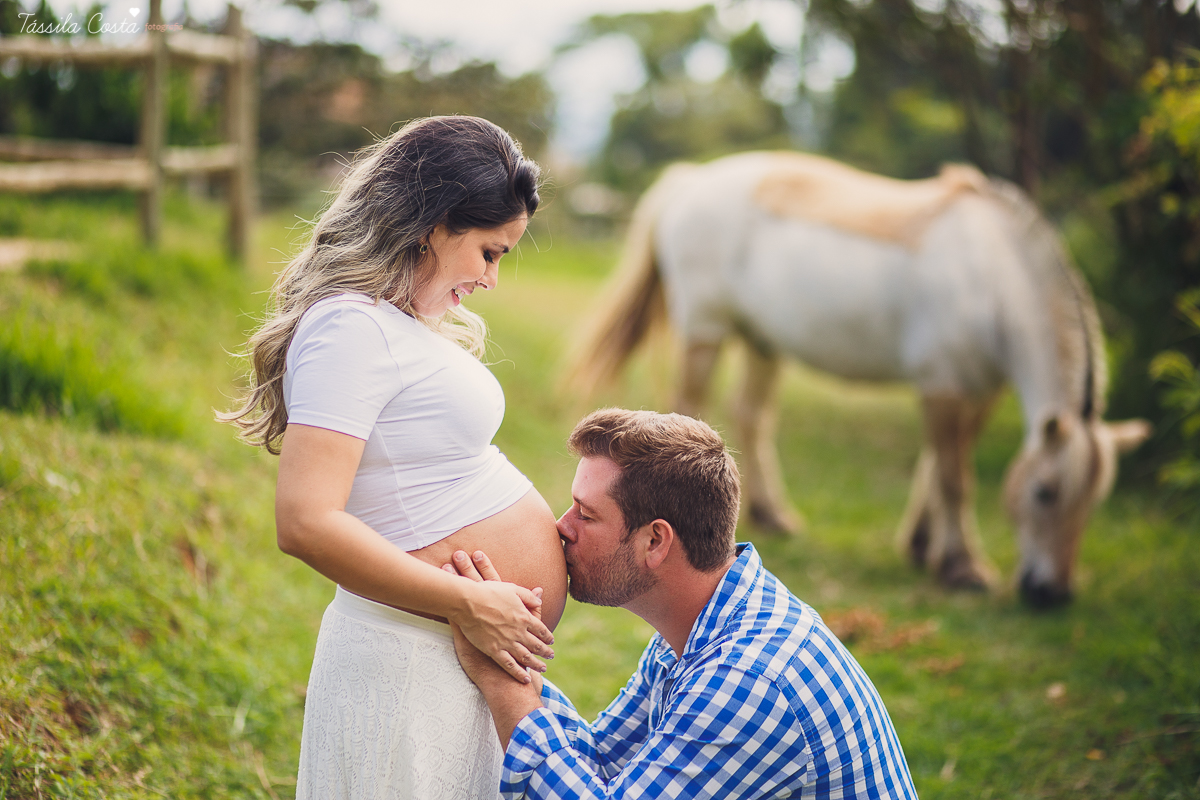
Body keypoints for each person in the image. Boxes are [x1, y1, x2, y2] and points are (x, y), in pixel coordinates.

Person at [220, 115, 568, 799]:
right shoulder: (349, 327)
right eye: (489, 253)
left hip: (444, 655)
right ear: (435, 226)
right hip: (405, 660)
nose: (492, 279)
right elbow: (305, 521)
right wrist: (468, 599)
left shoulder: (393, 322)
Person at [446, 408, 919, 800]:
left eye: (586, 515)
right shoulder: (698, 632)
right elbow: (600, 762)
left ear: (655, 541)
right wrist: (512, 654)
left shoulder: (748, 679)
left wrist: (501, 680)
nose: (562, 525)